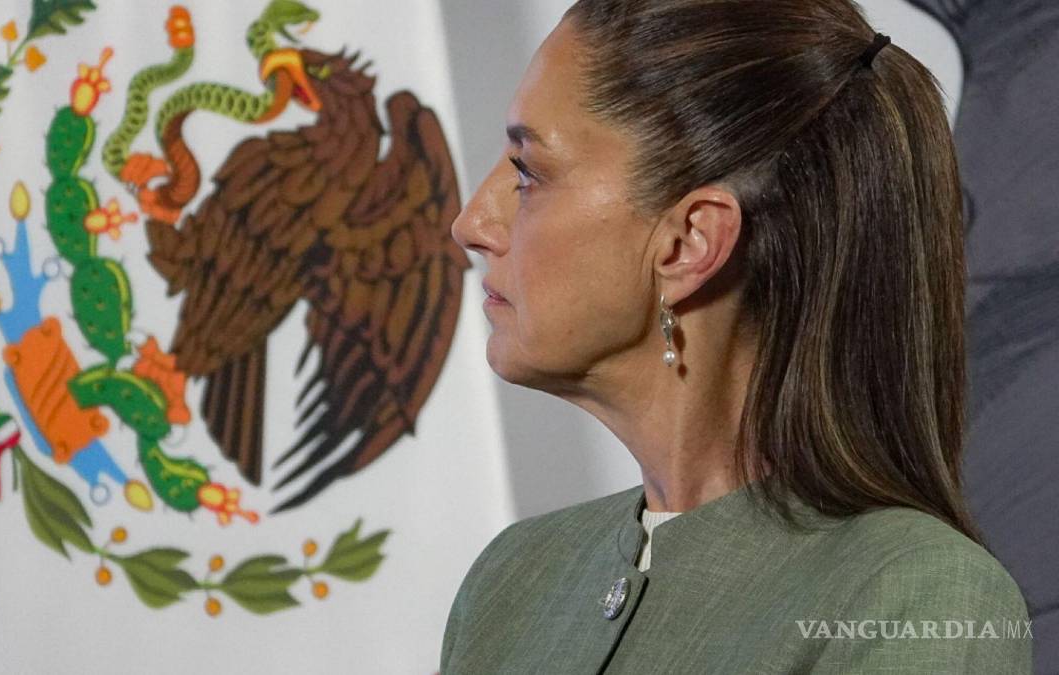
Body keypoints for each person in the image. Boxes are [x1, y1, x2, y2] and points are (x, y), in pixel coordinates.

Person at [440, 0, 1033, 672]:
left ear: (688, 243)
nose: (470, 223)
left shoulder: (913, 595)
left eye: (528, 173)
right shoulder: (512, 580)